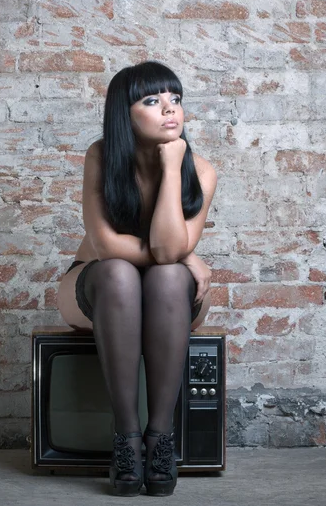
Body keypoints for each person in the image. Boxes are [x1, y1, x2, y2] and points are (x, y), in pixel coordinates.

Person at [56, 61, 217, 497]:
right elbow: (107, 246)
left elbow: (168, 257)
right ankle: (125, 439)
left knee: (166, 278)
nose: (170, 110)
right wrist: (187, 254)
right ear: (123, 114)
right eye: (152, 100)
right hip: (99, 287)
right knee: (119, 273)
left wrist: (172, 168)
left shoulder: (199, 169)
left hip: (171, 298)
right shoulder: (101, 155)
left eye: (175, 99)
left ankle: (159, 440)